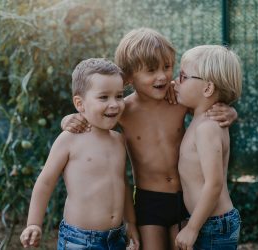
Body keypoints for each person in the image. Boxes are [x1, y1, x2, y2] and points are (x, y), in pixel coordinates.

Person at [61, 28, 238, 250]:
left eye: (167, 67)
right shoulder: (123, 109)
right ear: (128, 77)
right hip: (148, 199)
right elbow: (93, 115)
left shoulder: (179, 98)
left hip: (184, 198)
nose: (163, 76)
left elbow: (207, 107)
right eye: (152, 70)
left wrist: (230, 112)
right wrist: (69, 119)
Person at [20, 58, 139, 250]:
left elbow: (122, 184)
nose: (114, 104)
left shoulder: (118, 140)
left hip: (116, 238)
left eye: (119, 96)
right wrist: (34, 223)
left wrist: (131, 223)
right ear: (80, 103)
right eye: (103, 97)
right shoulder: (69, 139)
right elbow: (45, 181)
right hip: (80, 240)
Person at [174, 45, 242, 250]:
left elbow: (214, 183)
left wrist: (192, 228)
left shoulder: (207, 128)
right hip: (208, 222)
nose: (175, 82)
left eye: (183, 76)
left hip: (213, 225)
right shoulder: (201, 118)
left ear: (208, 88)